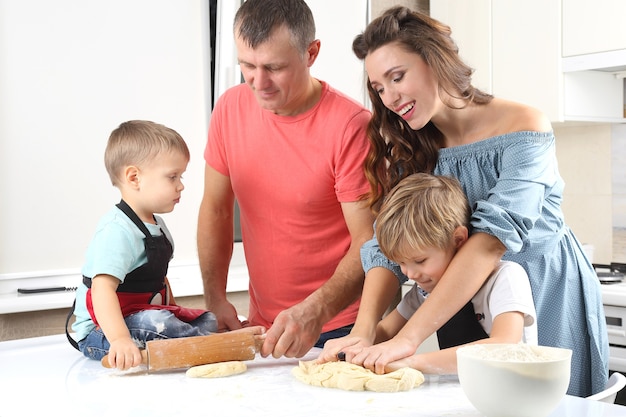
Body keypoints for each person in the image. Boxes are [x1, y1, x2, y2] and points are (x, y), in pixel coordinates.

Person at [318, 6, 608, 397]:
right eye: (379, 88)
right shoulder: (413, 149)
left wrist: (410, 340)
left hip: (543, 290)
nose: (389, 97)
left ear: (435, 61)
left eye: (397, 77)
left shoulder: (524, 126)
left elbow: (490, 241)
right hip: (463, 303)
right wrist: (363, 331)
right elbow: (387, 250)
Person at [197, 0, 374, 359]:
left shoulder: (351, 127)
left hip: (338, 327)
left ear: (311, 53)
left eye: (274, 67)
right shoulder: (229, 109)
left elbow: (368, 241)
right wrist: (215, 298)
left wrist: (317, 310)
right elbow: (216, 211)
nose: (258, 82)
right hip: (263, 324)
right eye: (247, 65)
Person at [68, 120, 264, 370]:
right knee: (159, 323)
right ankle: (221, 344)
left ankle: (206, 337)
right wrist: (119, 340)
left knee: (207, 319)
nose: (181, 185)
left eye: (180, 176)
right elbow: (101, 290)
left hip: (143, 317)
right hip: (102, 331)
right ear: (134, 177)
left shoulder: (158, 226)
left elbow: (160, 281)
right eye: (173, 177)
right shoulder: (116, 231)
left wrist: (175, 311)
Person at [366, 172, 537, 374]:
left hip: (513, 392)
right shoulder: (423, 292)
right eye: (401, 263)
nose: (410, 274)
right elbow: (385, 331)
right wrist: (355, 345)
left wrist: (412, 363)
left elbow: (504, 346)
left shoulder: (506, 278)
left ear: (458, 240)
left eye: (420, 261)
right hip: (462, 394)